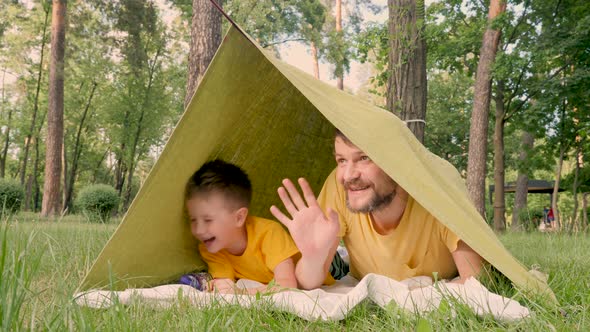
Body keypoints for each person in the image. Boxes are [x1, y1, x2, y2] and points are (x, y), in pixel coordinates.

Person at [270, 130, 485, 290]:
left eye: (364, 158)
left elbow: (477, 279)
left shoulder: (436, 189)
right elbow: (307, 282)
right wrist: (313, 258)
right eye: (341, 160)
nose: (348, 175)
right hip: (357, 272)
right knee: (334, 265)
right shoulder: (338, 187)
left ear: (396, 164)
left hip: (437, 275)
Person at [186, 159, 312, 294]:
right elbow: (225, 283)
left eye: (208, 220)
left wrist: (241, 293)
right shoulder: (210, 247)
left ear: (239, 217)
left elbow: (287, 284)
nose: (199, 230)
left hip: (323, 269)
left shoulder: (269, 233)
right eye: (193, 220)